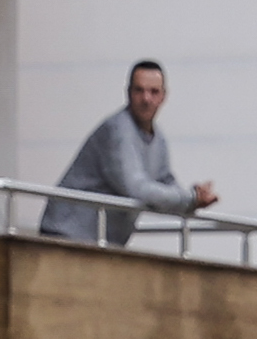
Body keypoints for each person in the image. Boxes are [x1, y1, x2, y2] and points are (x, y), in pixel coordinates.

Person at [52, 60, 219, 247]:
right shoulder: (118, 131)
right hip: (68, 236)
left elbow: (164, 180)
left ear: (163, 96)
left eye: (153, 92)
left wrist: (194, 197)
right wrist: (190, 198)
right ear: (128, 93)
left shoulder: (158, 139)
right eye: (139, 90)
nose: (146, 99)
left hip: (98, 243)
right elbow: (136, 188)